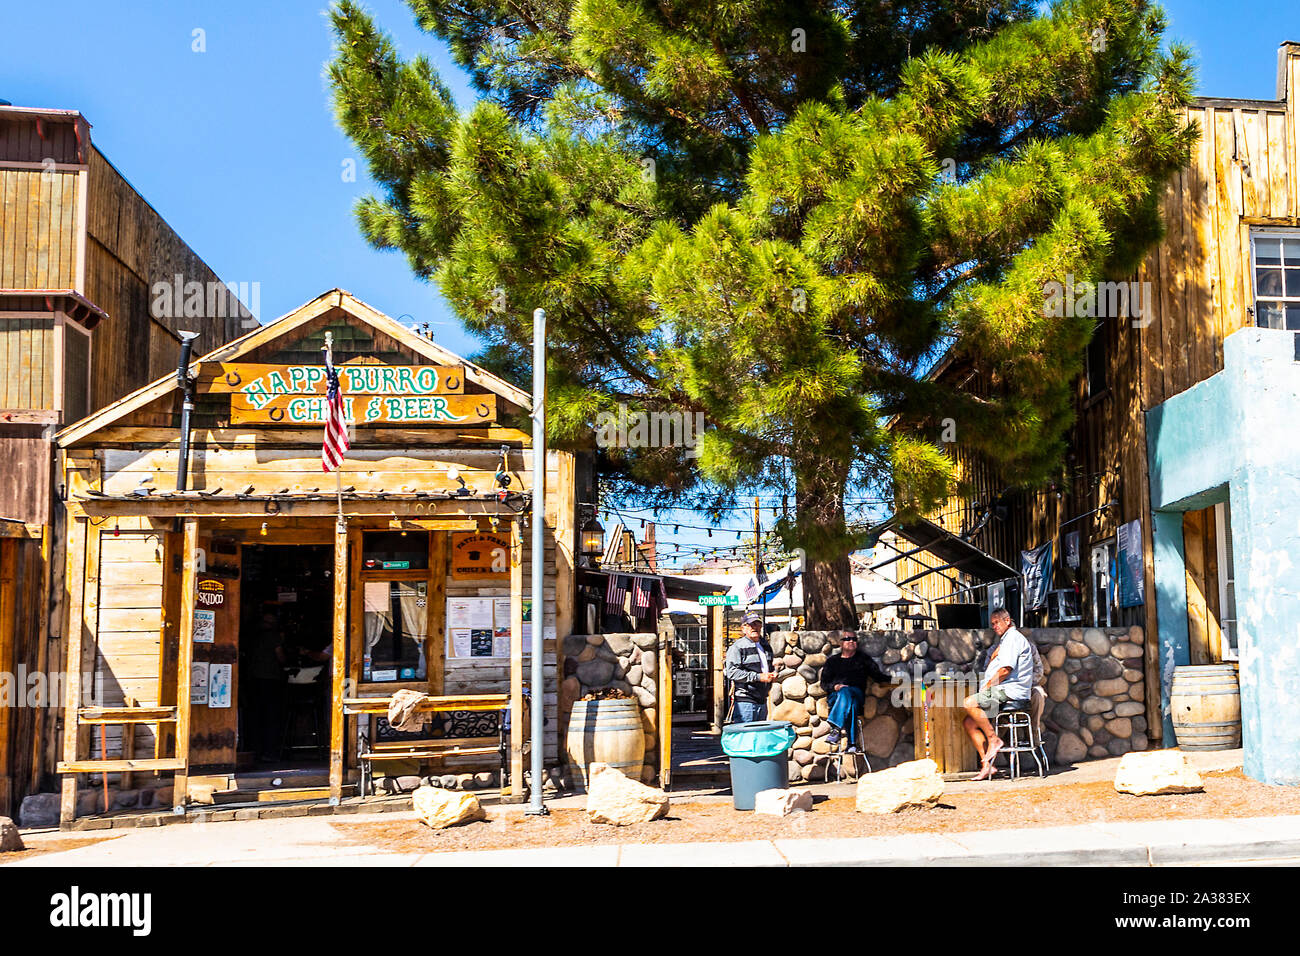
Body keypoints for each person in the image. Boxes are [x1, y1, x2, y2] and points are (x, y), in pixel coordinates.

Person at [963, 607, 1035, 780]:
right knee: (969, 723)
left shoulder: (1013, 639)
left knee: (969, 703)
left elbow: (1005, 670)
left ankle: (993, 739)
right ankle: (987, 765)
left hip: (1010, 691)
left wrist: (987, 686)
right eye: (992, 624)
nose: (994, 626)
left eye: (996, 622)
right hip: (1004, 690)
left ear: (1007, 621)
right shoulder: (1006, 641)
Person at [821, 634, 890, 751]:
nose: (851, 641)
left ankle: (835, 728)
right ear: (841, 643)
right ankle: (852, 744)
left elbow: (877, 676)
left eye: (854, 639)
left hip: (857, 694)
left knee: (848, 693)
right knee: (849, 702)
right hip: (836, 697)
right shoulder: (832, 661)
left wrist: (897, 679)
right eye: (847, 639)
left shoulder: (863, 659)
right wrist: (835, 686)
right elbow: (824, 684)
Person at [724, 612, 777, 722]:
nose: (754, 627)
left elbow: (769, 667)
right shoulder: (737, 647)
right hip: (745, 702)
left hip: (762, 700)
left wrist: (774, 673)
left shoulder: (766, 646)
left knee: (759, 736)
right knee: (746, 736)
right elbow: (731, 672)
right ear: (743, 628)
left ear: (761, 626)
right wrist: (758, 677)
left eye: (757, 624)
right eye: (750, 625)